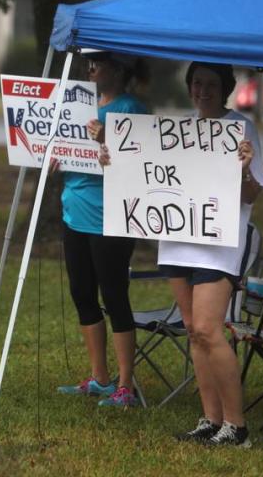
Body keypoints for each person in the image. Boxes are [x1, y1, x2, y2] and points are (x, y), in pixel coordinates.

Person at [101, 61, 263, 445]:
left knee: (210, 330)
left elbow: (252, 194)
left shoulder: (241, 129)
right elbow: (140, 173)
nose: (202, 90)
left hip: (218, 245)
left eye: (210, 84)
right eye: (196, 83)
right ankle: (210, 420)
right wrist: (112, 160)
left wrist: (243, 169)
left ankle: (237, 426)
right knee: (194, 332)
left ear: (225, 87)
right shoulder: (177, 128)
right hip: (177, 240)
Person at [56, 52, 148, 408]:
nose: (90, 69)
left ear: (120, 69)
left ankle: (125, 385)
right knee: (82, 293)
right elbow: (67, 148)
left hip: (113, 217)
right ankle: (100, 378)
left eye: (98, 64)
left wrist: (108, 140)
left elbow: (143, 161)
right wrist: (53, 156)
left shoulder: (132, 109)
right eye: (88, 64)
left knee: (114, 295)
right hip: (73, 212)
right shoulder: (80, 105)